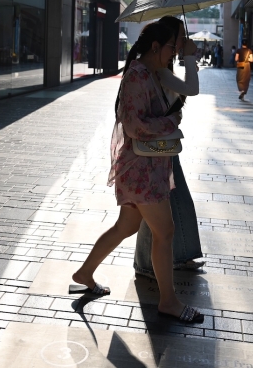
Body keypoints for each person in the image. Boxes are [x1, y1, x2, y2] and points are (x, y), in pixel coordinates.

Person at [71, 22, 205, 324]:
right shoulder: (137, 75)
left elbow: (189, 90)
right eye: (175, 45)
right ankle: (168, 301)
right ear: (156, 47)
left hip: (148, 169)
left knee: (127, 226)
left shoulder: (153, 73)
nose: (177, 51)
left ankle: (84, 273)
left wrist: (188, 58)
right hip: (140, 171)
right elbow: (134, 126)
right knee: (165, 231)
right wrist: (171, 123)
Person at [134, 16, 203, 280]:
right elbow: (193, 89)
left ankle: (178, 256)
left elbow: (186, 91)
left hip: (163, 144)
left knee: (172, 201)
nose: (182, 42)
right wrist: (190, 58)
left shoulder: (161, 69)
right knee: (153, 208)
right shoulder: (156, 70)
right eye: (178, 38)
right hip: (156, 146)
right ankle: (146, 263)